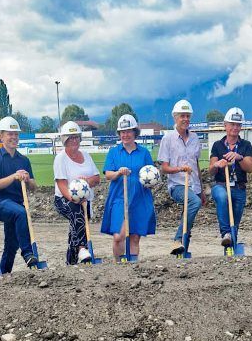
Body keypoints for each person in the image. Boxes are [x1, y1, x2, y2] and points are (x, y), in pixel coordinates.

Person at [0, 116, 39, 272]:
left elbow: (34, 187)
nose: (14, 137)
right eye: (10, 134)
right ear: (1, 136)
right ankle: (28, 253)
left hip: (16, 205)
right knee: (21, 213)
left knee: (11, 244)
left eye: (16, 134)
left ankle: (4, 273)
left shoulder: (24, 160)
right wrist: (14, 176)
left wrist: (28, 179)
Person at [100, 114, 157, 260]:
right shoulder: (114, 152)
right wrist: (119, 172)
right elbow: (107, 174)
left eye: (129, 131)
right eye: (122, 132)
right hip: (119, 197)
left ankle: (132, 267)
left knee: (135, 236)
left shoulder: (144, 152)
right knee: (118, 235)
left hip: (140, 197)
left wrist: (151, 180)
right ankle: (119, 264)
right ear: (119, 134)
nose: (125, 135)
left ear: (134, 133)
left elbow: (151, 174)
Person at [158, 99, 205, 256]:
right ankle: (177, 239)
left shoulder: (195, 138)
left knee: (189, 217)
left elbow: (196, 165)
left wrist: (202, 189)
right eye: (182, 116)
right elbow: (163, 168)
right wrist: (179, 169)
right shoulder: (168, 139)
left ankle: (182, 251)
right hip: (177, 185)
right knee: (194, 202)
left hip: (194, 185)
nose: (185, 119)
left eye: (188, 116)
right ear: (175, 117)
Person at [53, 121, 101, 264]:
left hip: (85, 200)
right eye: (70, 138)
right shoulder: (60, 158)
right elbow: (61, 184)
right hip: (64, 199)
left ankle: (71, 263)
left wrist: (86, 181)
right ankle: (82, 248)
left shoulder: (86, 155)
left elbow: (97, 178)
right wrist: (74, 199)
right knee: (77, 213)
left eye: (76, 137)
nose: (74, 140)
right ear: (65, 140)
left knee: (75, 229)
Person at [208, 107, 252, 248]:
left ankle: (231, 245)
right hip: (221, 184)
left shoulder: (246, 145)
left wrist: (239, 157)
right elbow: (211, 171)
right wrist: (217, 164)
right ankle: (225, 234)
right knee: (222, 197)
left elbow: (250, 168)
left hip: (239, 187)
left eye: (238, 125)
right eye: (232, 124)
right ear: (225, 125)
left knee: (235, 221)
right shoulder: (217, 145)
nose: (235, 128)